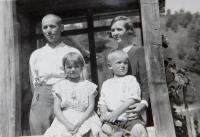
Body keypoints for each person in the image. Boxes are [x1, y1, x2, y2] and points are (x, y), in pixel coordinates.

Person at [29, 14, 82, 135]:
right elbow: (33, 82)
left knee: (67, 131)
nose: (48, 31)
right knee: (40, 132)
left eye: (52, 26)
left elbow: (82, 80)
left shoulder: (72, 51)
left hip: (66, 96)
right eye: (45, 27)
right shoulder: (36, 54)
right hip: (42, 98)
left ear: (61, 28)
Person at [44, 52, 102, 137]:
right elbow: (56, 108)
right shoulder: (60, 86)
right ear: (64, 69)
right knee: (62, 133)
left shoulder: (88, 85)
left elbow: (90, 107)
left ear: (82, 67)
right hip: (66, 117)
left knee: (90, 132)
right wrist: (67, 124)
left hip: (85, 116)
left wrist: (80, 122)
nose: (73, 70)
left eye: (76, 67)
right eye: (69, 67)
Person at [107, 16, 150, 124]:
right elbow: (109, 84)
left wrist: (144, 103)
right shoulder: (112, 55)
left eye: (119, 29)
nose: (115, 33)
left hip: (134, 107)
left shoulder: (139, 51)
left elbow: (145, 81)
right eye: (113, 30)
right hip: (115, 109)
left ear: (129, 31)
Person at [98, 50, 148, 137]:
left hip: (129, 119)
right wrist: (103, 114)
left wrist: (116, 113)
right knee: (104, 130)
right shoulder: (106, 83)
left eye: (125, 63)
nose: (123, 65)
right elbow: (102, 102)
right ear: (110, 66)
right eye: (119, 63)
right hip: (112, 121)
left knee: (139, 129)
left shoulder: (130, 79)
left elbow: (132, 99)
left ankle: (124, 133)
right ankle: (120, 134)